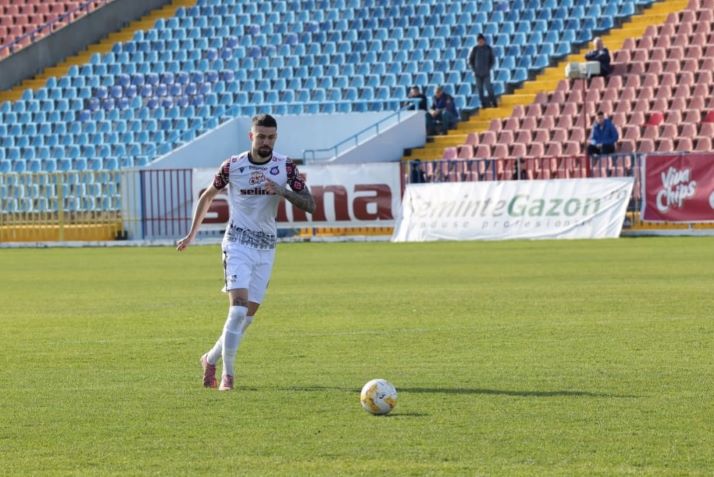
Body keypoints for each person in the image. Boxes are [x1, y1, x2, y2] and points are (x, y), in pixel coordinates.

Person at [176, 114, 315, 391]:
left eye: (271, 137)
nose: (266, 142)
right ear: (251, 136)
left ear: (276, 137)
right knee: (238, 310)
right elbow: (207, 196)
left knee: (246, 319)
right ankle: (228, 376)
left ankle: (210, 358)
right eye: (261, 136)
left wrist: (282, 191)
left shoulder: (285, 166)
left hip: (265, 248)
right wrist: (192, 234)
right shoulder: (233, 165)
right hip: (237, 243)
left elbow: (309, 204)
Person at [468, 34, 496, 108]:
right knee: (480, 90)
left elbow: (492, 60)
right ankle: (483, 104)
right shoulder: (474, 49)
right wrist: (474, 70)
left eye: (482, 40)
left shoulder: (488, 48)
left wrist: (489, 68)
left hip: (486, 73)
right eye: (479, 41)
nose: (480, 42)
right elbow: (470, 61)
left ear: (484, 40)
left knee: (489, 88)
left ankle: (493, 102)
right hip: (477, 74)